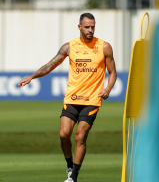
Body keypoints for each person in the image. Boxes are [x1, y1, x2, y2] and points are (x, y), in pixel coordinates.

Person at [18, 12, 117, 182]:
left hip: (91, 100)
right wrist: (32, 76)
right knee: (64, 134)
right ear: (79, 27)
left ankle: (73, 178)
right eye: (87, 27)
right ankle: (69, 166)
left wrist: (107, 88)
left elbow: (112, 72)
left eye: (93, 27)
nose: (90, 30)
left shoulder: (104, 47)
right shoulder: (69, 47)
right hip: (72, 98)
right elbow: (50, 64)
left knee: (80, 136)